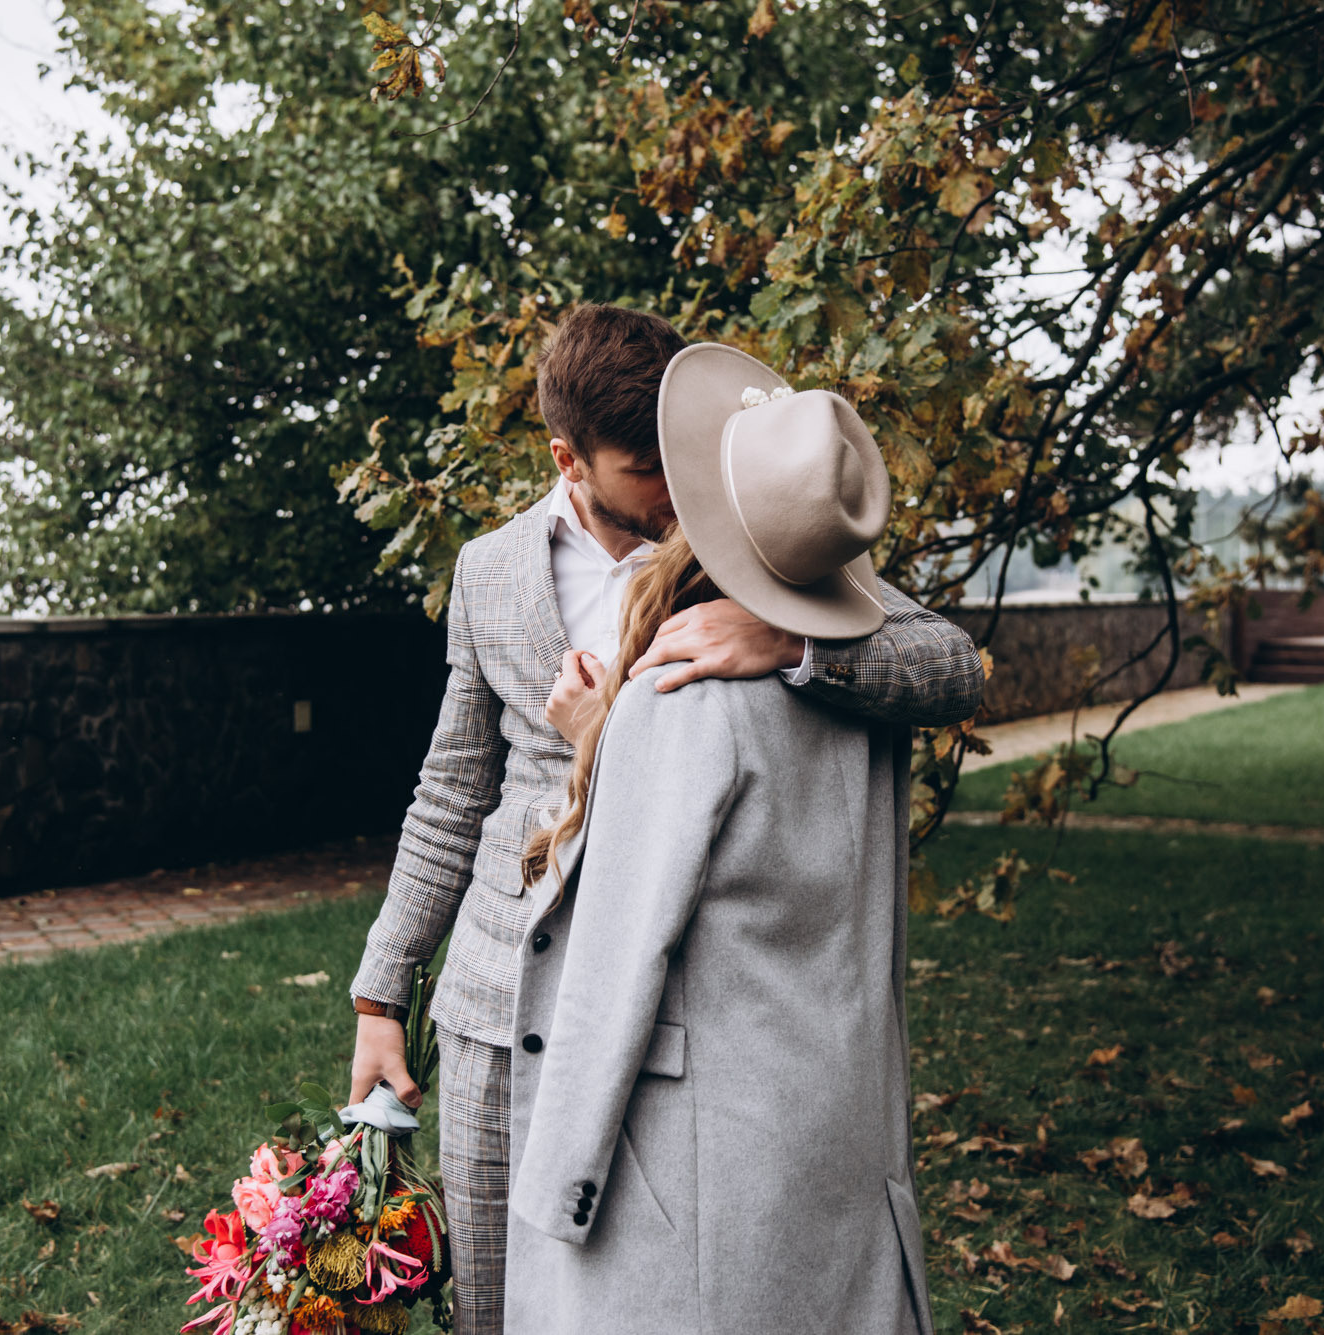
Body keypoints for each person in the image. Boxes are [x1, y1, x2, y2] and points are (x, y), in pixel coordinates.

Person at [346, 311, 981, 1334]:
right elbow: (450, 793)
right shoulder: (488, 574)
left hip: (659, 1023)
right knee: (496, 1308)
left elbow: (949, 665)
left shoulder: (753, 552)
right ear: (569, 460)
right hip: (494, 1005)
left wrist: (787, 642)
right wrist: (382, 995)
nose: (672, 491)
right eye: (645, 469)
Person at [503, 344, 949, 1333]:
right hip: (835, 1107)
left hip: (702, 1145)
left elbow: (612, 945)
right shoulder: (860, 678)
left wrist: (555, 1188)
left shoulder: (688, 692)